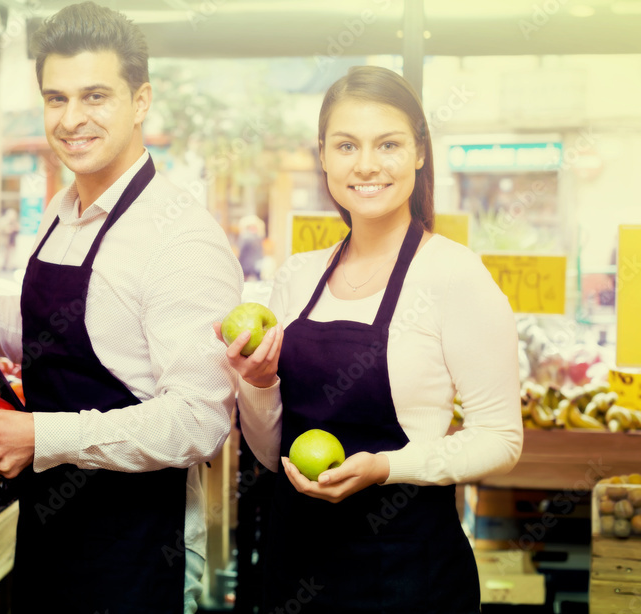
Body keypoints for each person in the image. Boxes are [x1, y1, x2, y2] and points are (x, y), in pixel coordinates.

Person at [0, 3, 243, 613]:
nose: (72, 120)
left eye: (95, 96)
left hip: (137, 546)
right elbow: (48, 337)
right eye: (56, 98)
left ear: (140, 101)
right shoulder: (61, 210)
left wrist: (44, 435)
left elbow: (200, 422)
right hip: (47, 525)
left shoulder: (182, 238)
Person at [215, 66, 523, 612]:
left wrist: (386, 467)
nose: (366, 165)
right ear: (324, 154)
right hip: (295, 564)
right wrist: (258, 384)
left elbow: (500, 439)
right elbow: (268, 455)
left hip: (407, 570)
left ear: (420, 152)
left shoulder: (454, 275)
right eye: (346, 145)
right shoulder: (297, 277)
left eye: (389, 144)